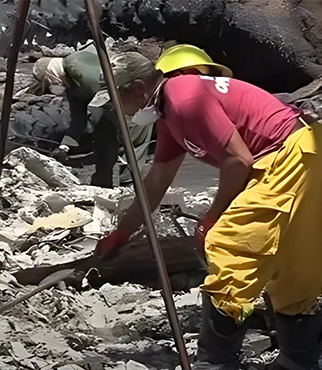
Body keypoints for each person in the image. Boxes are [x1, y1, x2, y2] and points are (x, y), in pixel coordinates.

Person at [95, 44, 322, 369]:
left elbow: (237, 160)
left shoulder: (184, 98)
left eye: (118, 100)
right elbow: (157, 180)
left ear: (139, 88)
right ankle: (297, 362)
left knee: (229, 246)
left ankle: (215, 362)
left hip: (290, 156)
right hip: (307, 152)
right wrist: (123, 232)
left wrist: (212, 217)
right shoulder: (170, 114)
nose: (120, 111)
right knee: (290, 262)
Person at [30, 47, 155, 187]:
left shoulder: (78, 67)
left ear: (50, 74)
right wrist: (65, 146)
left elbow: (112, 91)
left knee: (133, 142)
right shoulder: (72, 87)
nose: (50, 86)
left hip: (129, 101)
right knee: (104, 143)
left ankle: (131, 186)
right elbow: (78, 120)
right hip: (110, 108)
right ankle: (102, 185)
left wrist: (123, 121)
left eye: (48, 82)